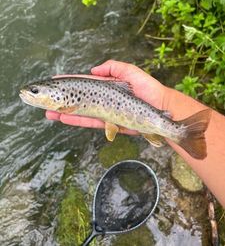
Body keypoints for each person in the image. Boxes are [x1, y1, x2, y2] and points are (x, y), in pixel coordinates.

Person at [46, 60, 225, 208]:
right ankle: (177, 131)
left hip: (134, 109)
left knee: (172, 131)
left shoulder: (66, 103)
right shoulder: (66, 97)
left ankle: (179, 132)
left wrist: (164, 101)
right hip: (126, 108)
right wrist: (165, 99)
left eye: (35, 92)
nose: (30, 94)